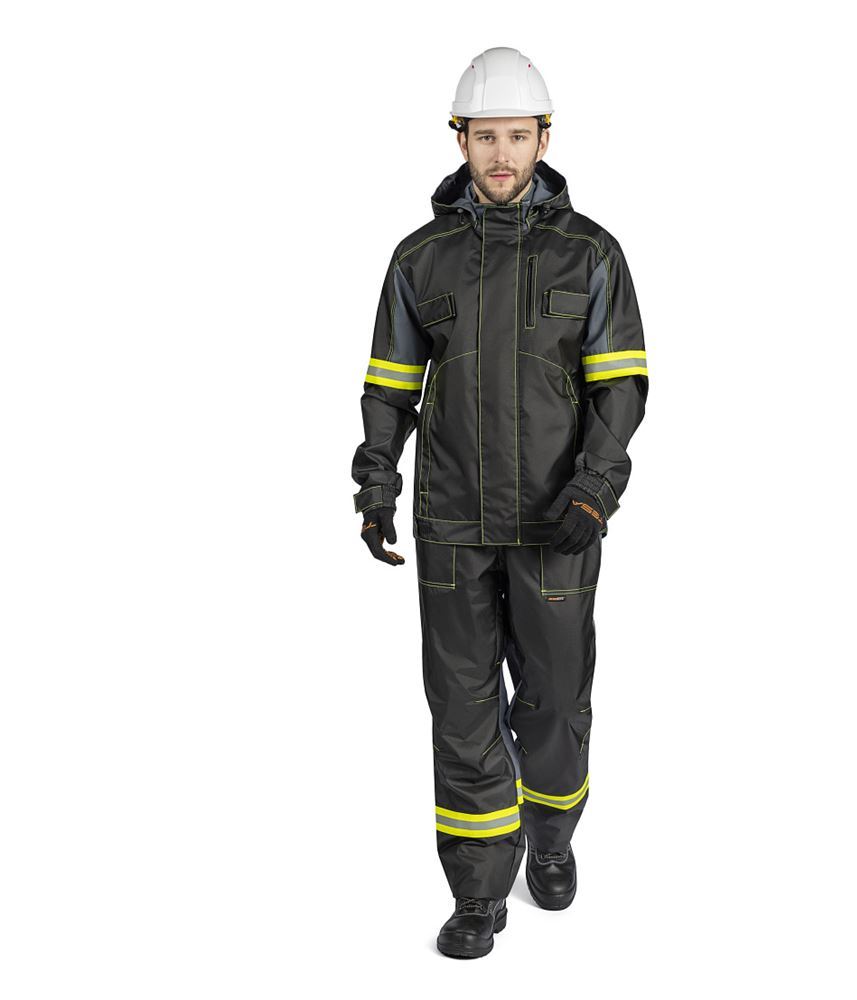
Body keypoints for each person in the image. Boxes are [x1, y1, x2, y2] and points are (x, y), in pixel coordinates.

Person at [351, 46, 649, 958]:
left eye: (518, 136)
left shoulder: (590, 252)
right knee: (462, 708)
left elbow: (622, 388)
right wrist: (377, 481)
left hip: (559, 522)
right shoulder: (420, 259)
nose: (502, 154)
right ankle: (479, 889)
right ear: (461, 141)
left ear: (543, 139)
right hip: (452, 524)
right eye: (486, 137)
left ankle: (551, 837)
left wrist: (595, 490)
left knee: (554, 703)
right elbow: (390, 387)